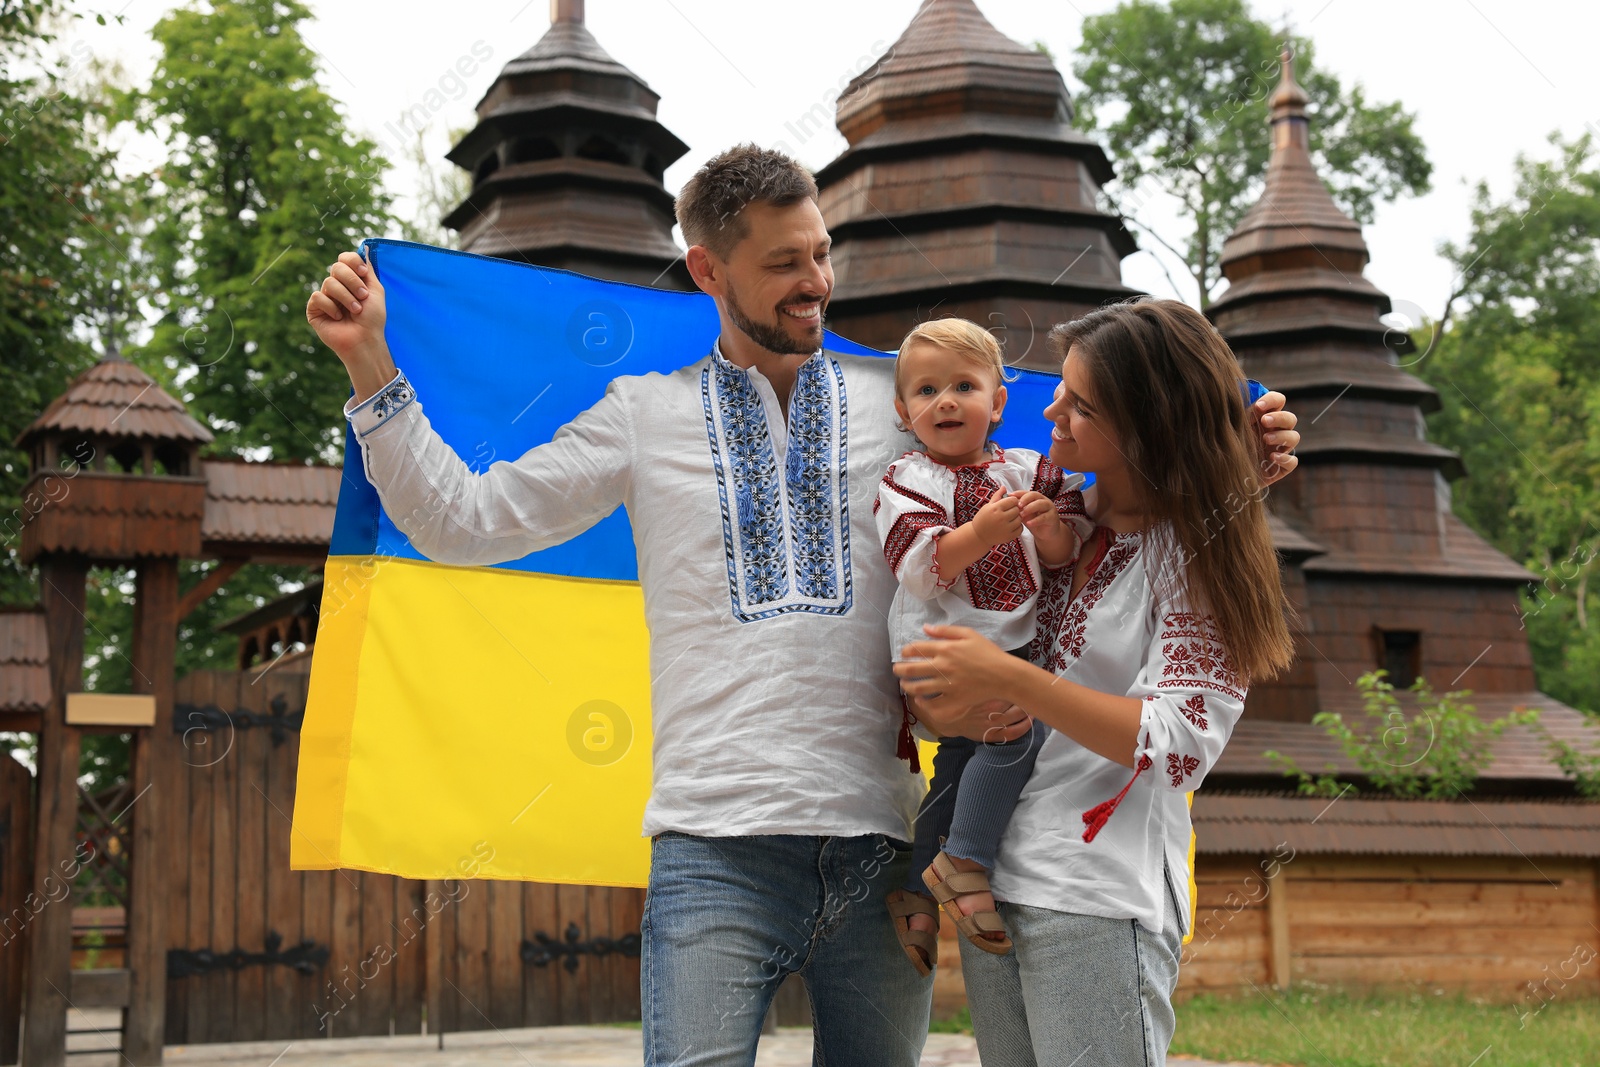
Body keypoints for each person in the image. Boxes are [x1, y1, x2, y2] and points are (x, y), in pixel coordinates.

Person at [306, 145, 1301, 1067]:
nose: (816, 280)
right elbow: (465, 517)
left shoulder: (905, 404)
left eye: (821, 252)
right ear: (708, 271)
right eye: (785, 262)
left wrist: (1242, 452)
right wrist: (369, 363)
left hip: (882, 846)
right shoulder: (640, 416)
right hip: (712, 846)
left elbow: (1109, 449)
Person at [895, 298, 1297, 1066]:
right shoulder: (1052, 515)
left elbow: (1180, 748)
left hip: (1095, 896)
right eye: (1061, 389)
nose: (1051, 408)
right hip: (992, 880)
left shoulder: (1193, 559)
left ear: (1146, 428)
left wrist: (1004, 675)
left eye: (1082, 404)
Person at [875, 317, 1085, 974]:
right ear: (903, 410)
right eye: (927, 389)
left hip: (1010, 650)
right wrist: (982, 532)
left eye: (964, 386)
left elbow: (1070, 551)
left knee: (962, 764)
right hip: (938, 653)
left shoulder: (1028, 470)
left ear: (996, 403)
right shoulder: (907, 478)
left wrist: (1050, 531)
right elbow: (914, 564)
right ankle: (965, 861)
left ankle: (914, 889)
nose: (945, 401)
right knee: (1013, 733)